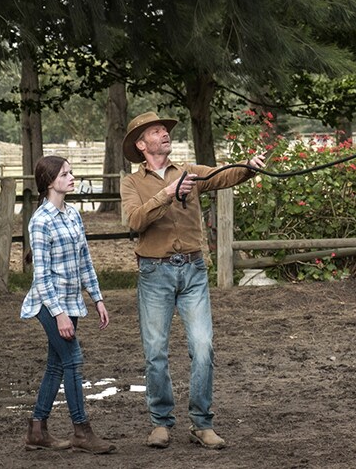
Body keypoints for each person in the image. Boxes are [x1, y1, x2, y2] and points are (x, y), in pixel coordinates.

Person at [120, 111, 265, 450]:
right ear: (142, 145)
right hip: (154, 273)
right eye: (156, 132)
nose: (164, 134)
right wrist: (167, 193)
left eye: (164, 130)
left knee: (203, 348)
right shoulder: (131, 183)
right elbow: (135, 220)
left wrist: (248, 166)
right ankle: (160, 423)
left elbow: (220, 176)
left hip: (194, 272)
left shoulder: (191, 171)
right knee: (155, 352)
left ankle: (202, 423)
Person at [20, 155, 116, 454]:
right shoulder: (40, 221)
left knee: (56, 366)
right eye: (65, 174)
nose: (72, 178)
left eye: (71, 173)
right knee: (73, 359)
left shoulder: (73, 215)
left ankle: (37, 430)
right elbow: (42, 275)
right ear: (50, 182)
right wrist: (59, 314)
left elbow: (85, 261)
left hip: (72, 302)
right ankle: (81, 431)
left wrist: (97, 298)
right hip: (49, 304)